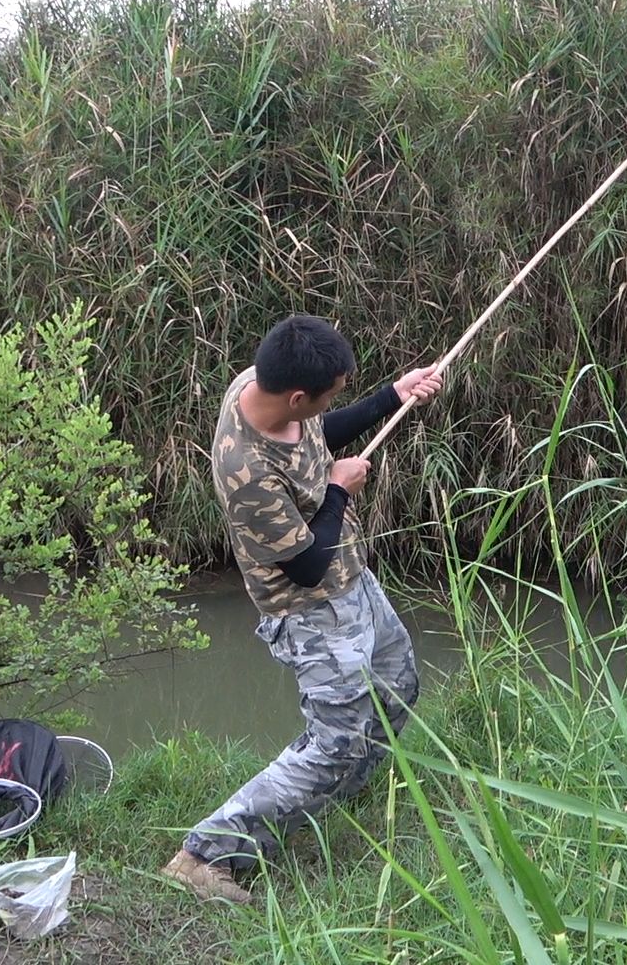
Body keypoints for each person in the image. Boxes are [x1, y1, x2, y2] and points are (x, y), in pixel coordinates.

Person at [161, 314, 444, 904]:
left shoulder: (260, 385)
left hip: (351, 580)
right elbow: (306, 566)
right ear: (295, 395)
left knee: (397, 686)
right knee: (334, 741)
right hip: (310, 610)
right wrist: (340, 489)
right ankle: (203, 854)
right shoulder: (247, 472)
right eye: (328, 393)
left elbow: (319, 430)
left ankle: (339, 792)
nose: (326, 406)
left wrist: (394, 395)